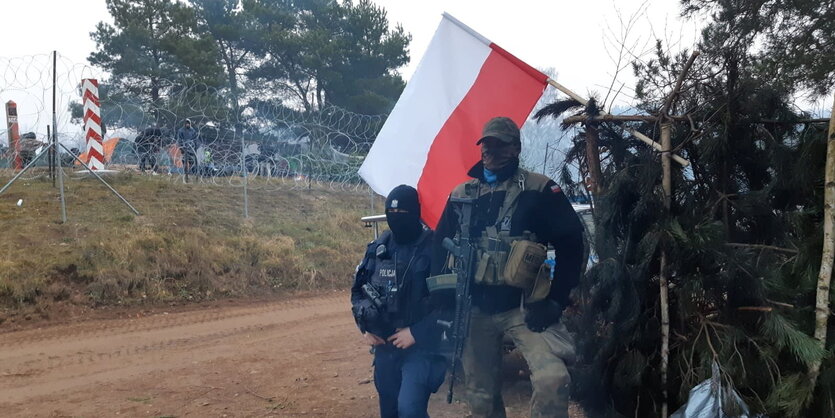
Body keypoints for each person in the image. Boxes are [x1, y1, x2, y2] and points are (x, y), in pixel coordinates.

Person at [431, 117, 585, 418]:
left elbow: (572, 244)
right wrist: (442, 298)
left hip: (526, 308)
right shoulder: (462, 195)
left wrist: (556, 300)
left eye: (500, 144)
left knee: (553, 380)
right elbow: (438, 248)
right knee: (480, 396)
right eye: (487, 143)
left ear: (516, 148)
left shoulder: (540, 190)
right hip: (475, 310)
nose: (492, 150)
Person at [351, 185, 448, 418]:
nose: (396, 219)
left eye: (402, 214)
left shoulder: (435, 249)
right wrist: (365, 328)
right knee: (390, 410)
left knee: (410, 409)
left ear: (415, 212)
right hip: (385, 346)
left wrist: (416, 333)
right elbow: (358, 292)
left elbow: (449, 303)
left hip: (421, 348)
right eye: (391, 214)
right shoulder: (379, 248)